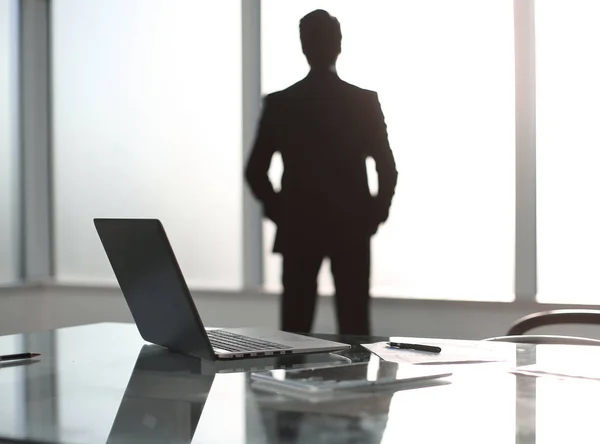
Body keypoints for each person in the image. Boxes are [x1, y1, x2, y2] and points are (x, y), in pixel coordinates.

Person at [245, 9, 397, 336]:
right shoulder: (362, 102)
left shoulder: (281, 103)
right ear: (339, 45)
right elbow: (387, 167)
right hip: (351, 228)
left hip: (300, 227)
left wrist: (281, 211)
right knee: (355, 327)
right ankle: (356, 387)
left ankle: (292, 387)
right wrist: (374, 214)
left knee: (294, 330)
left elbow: (255, 171)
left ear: (303, 46)